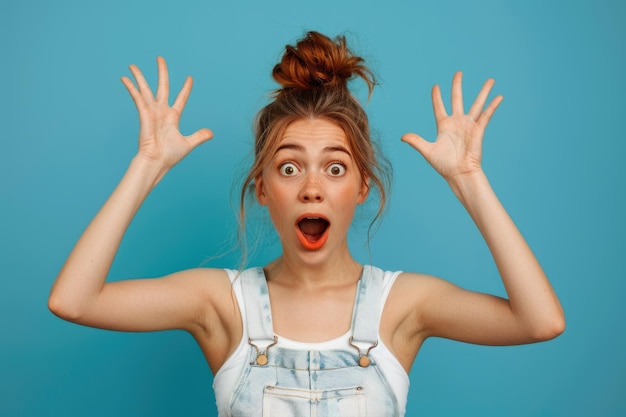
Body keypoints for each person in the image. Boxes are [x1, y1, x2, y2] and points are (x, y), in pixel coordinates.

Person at [48, 31, 565, 416]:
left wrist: (469, 180)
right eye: (289, 167)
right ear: (263, 188)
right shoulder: (220, 303)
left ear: (361, 188)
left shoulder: (403, 304)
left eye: (335, 168)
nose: (311, 187)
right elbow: (73, 301)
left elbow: (539, 322)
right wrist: (147, 167)